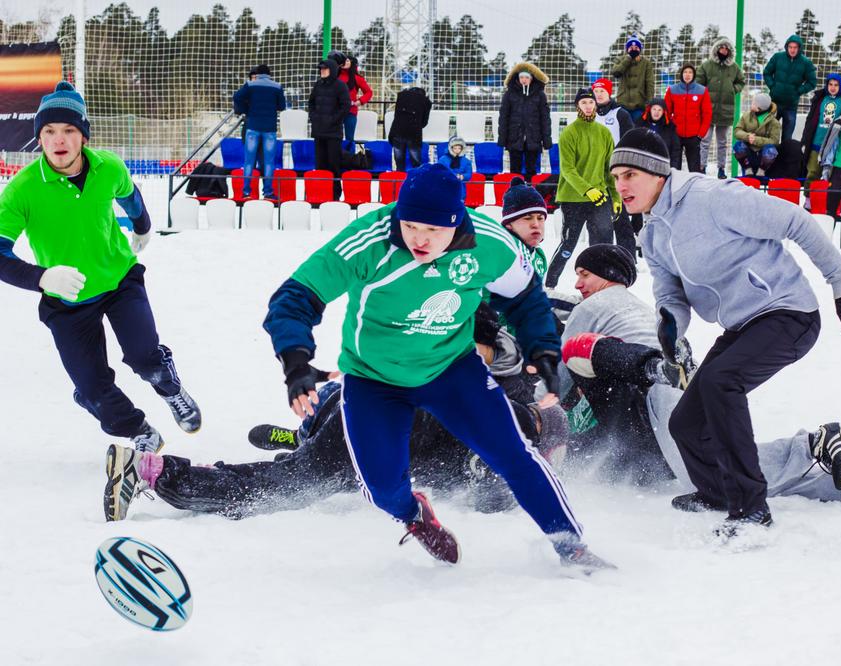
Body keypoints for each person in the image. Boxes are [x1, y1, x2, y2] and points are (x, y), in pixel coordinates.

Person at [260, 163, 611, 570]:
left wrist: (544, 352)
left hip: (452, 370)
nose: (419, 239)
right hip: (374, 378)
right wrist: (295, 361)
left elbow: (525, 298)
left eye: (432, 231)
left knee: (514, 456)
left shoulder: (490, 244)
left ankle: (572, 546)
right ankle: (414, 515)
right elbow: (294, 297)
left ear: (457, 222)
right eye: (409, 225)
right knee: (381, 488)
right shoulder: (369, 241)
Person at [609, 127, 841, 536]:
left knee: (720, 382)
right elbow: (670, 293)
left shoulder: (712, 199)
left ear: (656, 172)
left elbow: (796, 221)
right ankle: (717, 493)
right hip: (742, 325)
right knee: (685, 424)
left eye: (629, 175)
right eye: (616, 177)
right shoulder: (652, 233)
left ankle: (751, 507)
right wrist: (670, 324)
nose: (620, 185)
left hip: (788, 312)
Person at [103, 327, 572, 521]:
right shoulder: (471, 379)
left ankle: (298, 442)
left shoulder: (502, 380)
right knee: (288, 485)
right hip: (379, 424)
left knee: (300, 473)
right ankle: (157, 473)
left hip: (381, 429)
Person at [557, 244, 841, 509]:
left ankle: (808, 447)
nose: (578, 283)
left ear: (607, 275)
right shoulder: (640, 309)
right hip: (681, 390)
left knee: (716, 475)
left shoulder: (591, 308)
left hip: (657, 393)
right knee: (725, 470)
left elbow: (560, 371)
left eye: (584, 274)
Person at [0, 81, 200, 453]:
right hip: (66, 299)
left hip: (119, 280)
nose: (59, 140)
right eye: (49, 131)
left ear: (83, 136)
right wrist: (42, 277)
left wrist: (142, 227)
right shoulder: (22, 189)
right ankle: (134, 426)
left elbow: (130, 195)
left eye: (69, 130)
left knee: (144, 358)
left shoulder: (108, 167)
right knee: (92, 388)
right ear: (40, 137)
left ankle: (170, 389)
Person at [545, 88, 619, 289]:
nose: (588, 106)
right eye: (584, 102)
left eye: (591, 102)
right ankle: (549, 285)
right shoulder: (569, 133)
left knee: (603, 246)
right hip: (573, 199)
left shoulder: (604, 133)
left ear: (596, 105)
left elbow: (608, 169)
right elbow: (567, 169)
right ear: (577, 106)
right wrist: (587, 190)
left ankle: (603, 286)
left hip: (600, 198)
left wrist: (616, 197)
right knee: (568, 245)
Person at [591, 78, 638, 259]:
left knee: (621, 216)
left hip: (616, 171)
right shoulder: (590, 114)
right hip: (595, 172)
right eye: (596, 91)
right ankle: (600, 256)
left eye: (602, 91)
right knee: (598, 219)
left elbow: (630, 139)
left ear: (609, 93)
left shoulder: (620, 114)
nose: (599, 94)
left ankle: (628, 256)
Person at [233, 63, 287, 200]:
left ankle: (246, 192)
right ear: (269, 74)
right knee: (268, 162)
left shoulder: (251, 85)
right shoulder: (277, 86)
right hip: (269, 129)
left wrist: (246, 109)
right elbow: (282, 106)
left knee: (249, 161)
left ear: (258, 73)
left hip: (252, 127)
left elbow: (237, 96)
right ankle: (268, 192)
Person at [696, 36, 744, 179]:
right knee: (705, 141)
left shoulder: (734, 67)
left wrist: (732, 89)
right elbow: (699, 82)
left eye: (726, 48)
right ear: (717, 49)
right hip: (707, 110)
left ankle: (721, 169)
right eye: (721, 48)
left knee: (722, 142)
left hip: (725, 111)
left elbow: (741, 81)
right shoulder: (706, 65)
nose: (724, 50)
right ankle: (701, 167)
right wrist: (704, 95)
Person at [498, 63, 552, 179]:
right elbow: (503, 116)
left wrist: (546, 139)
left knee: (531, 170)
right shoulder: (509, 94)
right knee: (515, 171)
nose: (524, 80)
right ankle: (515, 193)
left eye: (527, 77)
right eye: (521, 77)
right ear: (517, 78)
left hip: (534, 139)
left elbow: (545, 118)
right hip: (514, 138)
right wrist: (503, 138)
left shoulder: (540, 95)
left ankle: (531, 193)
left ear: (532, 79)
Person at [800, 73, 841, 187]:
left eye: (836, 85)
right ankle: (809, 198)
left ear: (840, 86)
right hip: (816, 142)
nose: (833, 87)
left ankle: (830, 202)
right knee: (813, 172)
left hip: (834, 144)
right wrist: (805, 139)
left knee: (832, 176)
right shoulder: (820, 99)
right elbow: (810, 120)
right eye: (830, 84)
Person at [307, 58, 351, 199]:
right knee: (320, 165)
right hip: (318, 132)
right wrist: (314, 117)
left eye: (325, 69)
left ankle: (335, 195)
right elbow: (311, 103)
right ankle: (321, 193)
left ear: (331, 70)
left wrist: (332, 120)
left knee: (334, 165)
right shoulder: (318, 85)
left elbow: (345, 106)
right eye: (320, 69)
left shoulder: (340, 86)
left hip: (333, 133)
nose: (322, 71)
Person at [762, 35, 817, 143]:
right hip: (774, 103)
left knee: (787, 137)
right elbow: (767, 72)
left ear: (799, 48)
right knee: (769, 133)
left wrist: (798, 91)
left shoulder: (806, 63)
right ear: (787, 47)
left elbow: (812, 82)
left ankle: (784, 159)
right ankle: (769, 158)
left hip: (790, 106)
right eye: (790, 47)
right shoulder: (778, 57)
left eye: (795, 47)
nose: (792, 50)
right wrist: (773, 86)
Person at [664, 63, 712, 173]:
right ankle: (674, 186)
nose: (687, 75)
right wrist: (669, 130)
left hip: (694, 135)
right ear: (681, 74)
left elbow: (707, 114)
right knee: (674, 165)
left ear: (694, 75)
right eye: (685, 72)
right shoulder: (672, 90)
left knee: (694, 167)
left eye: (690, 72)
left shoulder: (702, 90)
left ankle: (695, 187)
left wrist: (700, 134)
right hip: (676, 133)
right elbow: (666, 112)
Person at [733, 92, 781, 177]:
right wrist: (748, 136)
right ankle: (747, 169)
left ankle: (762, 171)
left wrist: (755, 140)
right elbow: (737, 131)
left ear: (759, 108)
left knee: (771, 150)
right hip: (749, 152)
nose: (751, 103)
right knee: (738, 145)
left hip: (763, 155)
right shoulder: (746, 116)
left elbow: (775, 141)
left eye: (753, 103)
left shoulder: (774, 122)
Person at [333, 52, 373, 152]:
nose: (344, 62)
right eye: (343, 60)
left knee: (349, 138)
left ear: (352, 63)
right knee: (334, 137)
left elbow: (369, 92)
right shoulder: (334, 76)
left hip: (350, 112)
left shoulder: (357, 78)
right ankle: (334, 160)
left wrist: (359, 101)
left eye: (347, 60)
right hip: (335, 112)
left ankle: (349, 161)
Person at [610, 35, 656, 123]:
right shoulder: (621, 59)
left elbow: (650, 82)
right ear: (627, 49)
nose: (633, 49)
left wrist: (649, 102)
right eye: (631, 47)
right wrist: (628, 59)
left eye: (636, 47)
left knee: (637, 129)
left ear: (640, 49)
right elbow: (616, 72)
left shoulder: (646, 63)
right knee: (623, 130)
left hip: (639, 104)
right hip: (623, 103)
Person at [387, 86, 432, 171]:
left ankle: (400, 181)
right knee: (416, 162)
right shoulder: (425, 102)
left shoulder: (401, 97)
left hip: (397, 131)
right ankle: (416, 180)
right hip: (413, 134)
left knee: (399, 162)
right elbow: (424, 122)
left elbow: (396, 115)